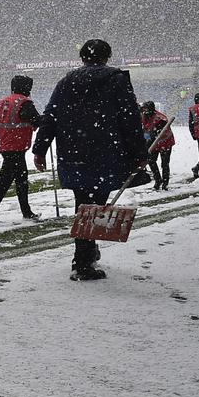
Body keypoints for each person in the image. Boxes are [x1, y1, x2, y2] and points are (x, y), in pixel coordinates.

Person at [33, 39, 148, 281]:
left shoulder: (66, 81)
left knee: (84, 204)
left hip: (73, 153)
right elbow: (129, 119)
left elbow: (50, 115)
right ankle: (84, 259)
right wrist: (139, 154)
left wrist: (40, 148)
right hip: (105, 152)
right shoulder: (116, 79)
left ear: (82, 57)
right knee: (95, 204)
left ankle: (86, 251)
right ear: (107, 56)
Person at [0, 76, 41, 223]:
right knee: (8, 181)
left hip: (6, 147)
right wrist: (50, 118)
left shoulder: (2, 102)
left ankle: (24, 211)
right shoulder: (24, 103)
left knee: (19, 179)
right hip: (17, 147)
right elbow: (37, 120)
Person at [140, 101, 175, 190]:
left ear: (151, 109)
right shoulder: (144, 116)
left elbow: (157, 133)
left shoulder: (160, 119)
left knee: (165, 164)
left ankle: (165, 183)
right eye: (143, 110)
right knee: (151, 161)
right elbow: (145, 130)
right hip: (153, 143)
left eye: (146, 109)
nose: (144, 112)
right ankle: (158, 180)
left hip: (165, 142)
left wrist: (149, 138)